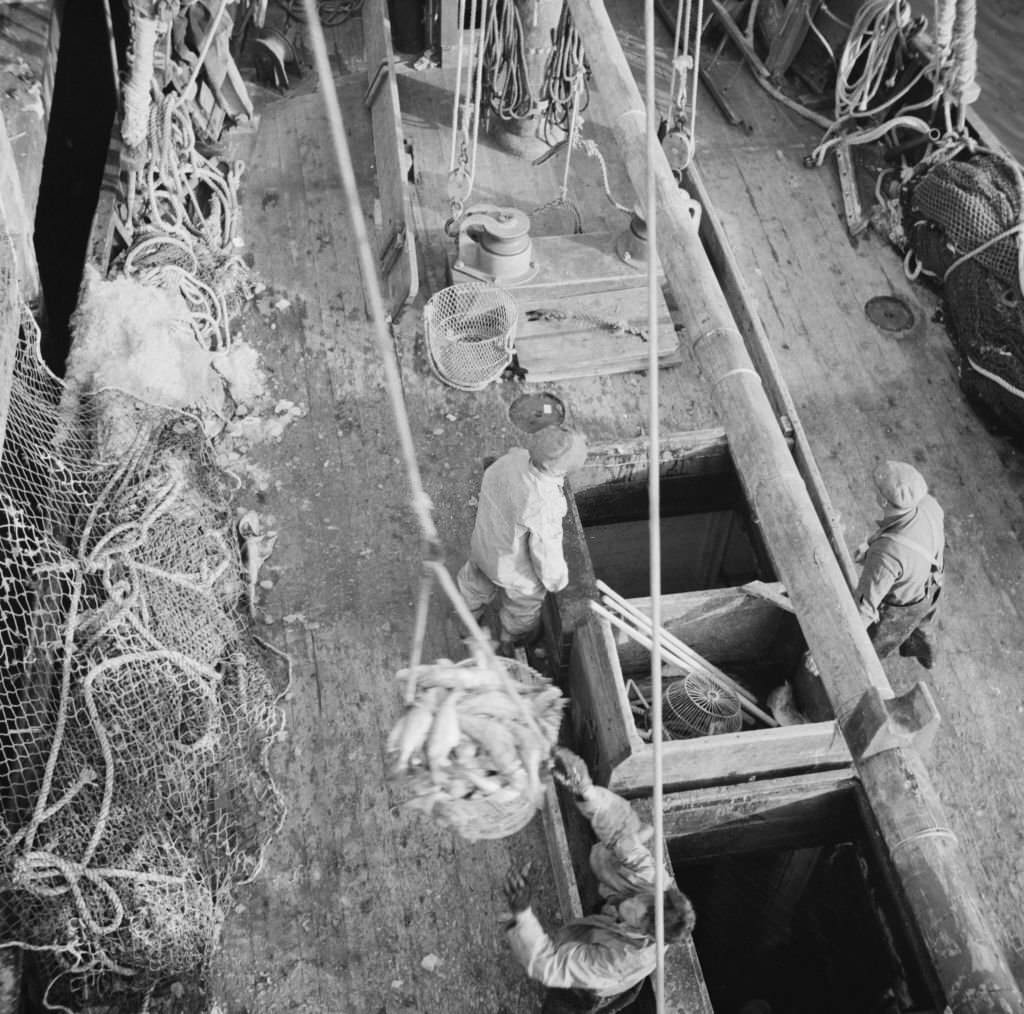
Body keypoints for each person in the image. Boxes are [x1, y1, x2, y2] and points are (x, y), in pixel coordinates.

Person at [503, 748, 696, 1014]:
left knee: (562, 1000)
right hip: (611, 931)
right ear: (657, 894)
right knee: (614, 850)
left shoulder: (620, 961)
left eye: (640, 918)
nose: (632, 906)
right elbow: (618, 834)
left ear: (647, 933)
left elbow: (549, 966)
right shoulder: (655, 880)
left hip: (591, 989)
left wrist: (523, 914)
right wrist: (586, 791)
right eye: (644, 900)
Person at [456, 426, 588, 652]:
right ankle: (511, 639)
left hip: (483, 545)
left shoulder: (511, 461)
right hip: (512, 569)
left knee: (473, 585)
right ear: (561, 471)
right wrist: (556, 581)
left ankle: (465, 622)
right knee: (524, 605)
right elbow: (545, 552)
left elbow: (513, 456)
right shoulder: (544, 503)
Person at [853, 460, 945, 669]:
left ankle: (867, 666)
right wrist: (870, 543)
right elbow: (903, 530)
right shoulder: (929, 504)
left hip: (904, 605)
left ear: (884, 502)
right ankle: (929, 657)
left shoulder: (885, 556)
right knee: (925, 628)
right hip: (932, 582)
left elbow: (865, 611)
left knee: (872, 646)